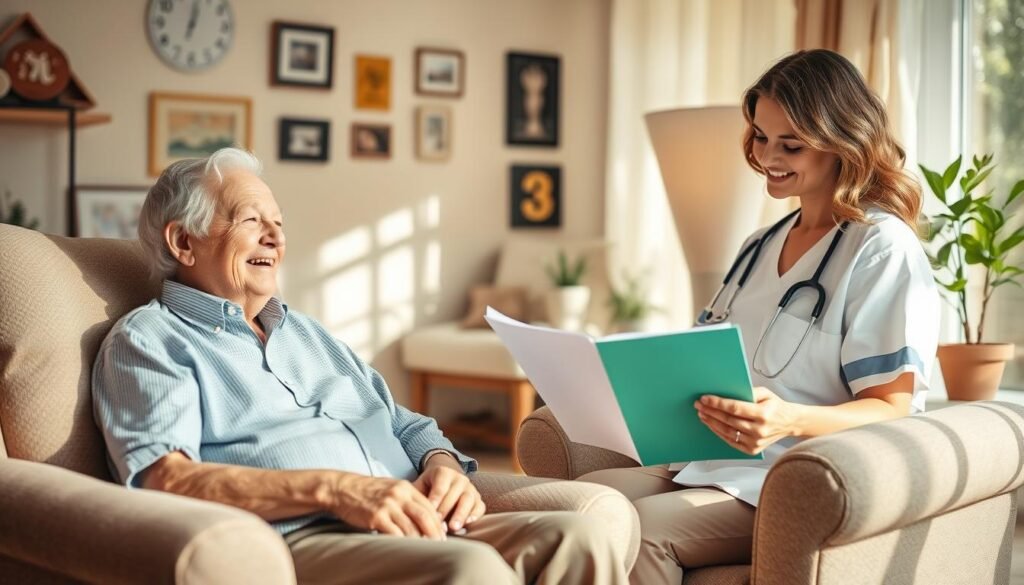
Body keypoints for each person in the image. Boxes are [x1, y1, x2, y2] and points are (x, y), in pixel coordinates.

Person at [92, 148, 629, 585]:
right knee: (471, 569)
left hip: (414, 519)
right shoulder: (149, 341)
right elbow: (164, 478)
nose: (275, 238)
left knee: (581, 538)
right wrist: (338, 491)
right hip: (303, 537)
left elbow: (405, 424)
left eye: (278, 223)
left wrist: (442, 465)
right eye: (251, 221)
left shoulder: (305, 332)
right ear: (183, 241)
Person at [579, 49, 940, 584]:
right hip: (710, 464)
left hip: (793, 475)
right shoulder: (759, 244)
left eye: (790, 144)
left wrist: (786, 419)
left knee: (639, 529)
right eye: (761, 137)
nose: (768, 155)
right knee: (575, 505)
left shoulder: (880, 248)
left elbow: (892, 408)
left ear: (844, 142)